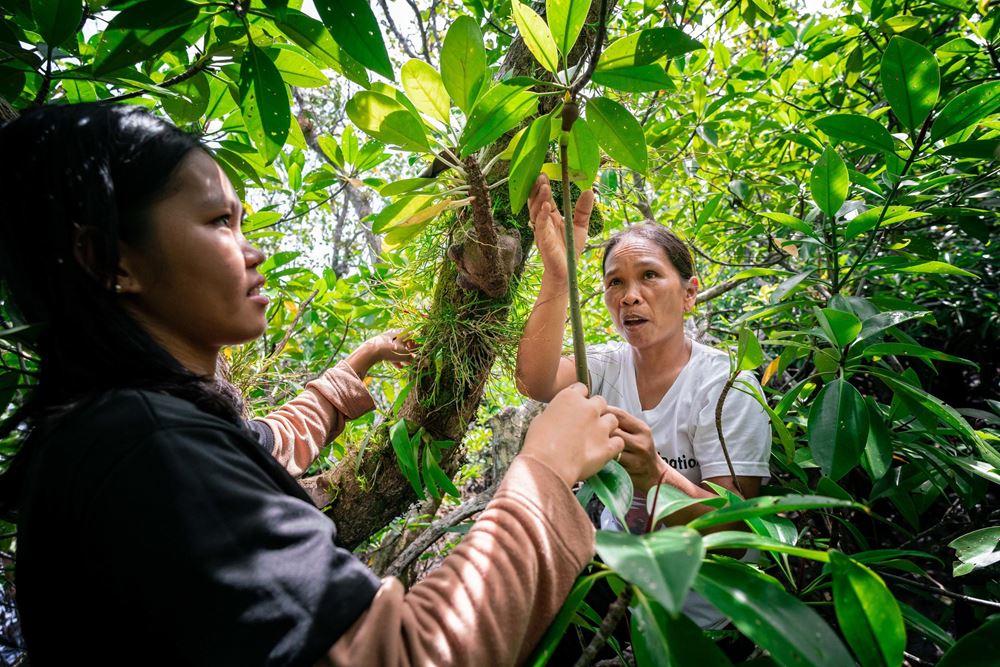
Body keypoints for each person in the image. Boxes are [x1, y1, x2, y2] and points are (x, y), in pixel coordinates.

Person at [0, 104, 625, 666]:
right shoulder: (150, 450)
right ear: (109, 260)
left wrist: (348, 375)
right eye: (219, 221)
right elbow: (404, 654)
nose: (254, 252)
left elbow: (261, 442)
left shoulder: (115, 430)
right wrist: (542, 473)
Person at [515, 174, 771, 630]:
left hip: (706, 615)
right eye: (615, 282)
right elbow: (533, 381)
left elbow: (735, 533)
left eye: (649, 275)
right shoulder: (608, 365)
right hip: (618, 588)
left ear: (690, 293)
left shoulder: (726, 386)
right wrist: (559, 274)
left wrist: (655, 475)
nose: (630, 295)